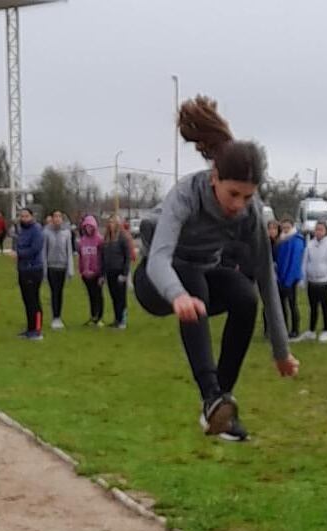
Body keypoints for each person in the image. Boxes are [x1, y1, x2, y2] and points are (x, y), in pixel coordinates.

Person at [133, 95, 299, 441]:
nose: (239, 206)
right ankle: (211, 395)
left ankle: (219, 410)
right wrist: (176, 295)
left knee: (244, 295)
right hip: (155, 280)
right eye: (233, 194)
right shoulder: (186, 196)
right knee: (195, 283)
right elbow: (161, 257)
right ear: (214, 179)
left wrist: (281, 351)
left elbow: (267, 277)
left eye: (248, 197)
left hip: (201, 277)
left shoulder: (251, 213)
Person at [302, 220, 327, 342]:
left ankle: (326, 330)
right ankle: (311, 330)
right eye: (316, 229)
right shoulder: (310, 244)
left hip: (324, 282)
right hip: (312, 282)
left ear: (326, 231)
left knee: (324, 307)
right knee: (312, 307)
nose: (318, 232)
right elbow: (305, 263)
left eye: (321, 229)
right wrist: (304, 279)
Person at [14, 206, 45, 340]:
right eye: (22, 216)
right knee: (26, 300)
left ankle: (37, 330)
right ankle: (30, 328)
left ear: (32, 217)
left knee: (34, 300)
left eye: (26, 216)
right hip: (22, 269)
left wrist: (19, 253)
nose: (24, 218)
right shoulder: (21, 231)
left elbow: (35, 249)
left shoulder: (36, 230)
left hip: (34, 269)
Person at [42, 210, 74, 329]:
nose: (57, 219)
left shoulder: (67, 233)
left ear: (62, 219)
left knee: (59, 292)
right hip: (51, 267)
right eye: (55, 216)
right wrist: (44, 270)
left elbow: (69, 251)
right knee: (54, 292)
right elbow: (44, 252)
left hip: (62, 267)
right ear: (52, 218)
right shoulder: (46, 233)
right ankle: (55, 317)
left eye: (59, 216)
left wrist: (70, 269)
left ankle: (58, 316)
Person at [275, 219, 306, 340]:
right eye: (283, 227)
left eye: (287, 227)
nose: (285, 229)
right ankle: (283, 329)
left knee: (292, 305)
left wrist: (288, 281)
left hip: (291, 279)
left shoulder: (296, 240)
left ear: (292, 227)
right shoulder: (281, 240)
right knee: (281, 306)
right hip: (281, 278)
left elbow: (294, 263)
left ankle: (295, 330)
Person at [102, 216, 133, 329]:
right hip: (110, 272)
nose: (110, 224)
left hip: (120, 271)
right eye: (109, 222)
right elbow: (103, 257)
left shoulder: (122, 238)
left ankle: (123, 320)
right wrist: (103, 274)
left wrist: (125, 273)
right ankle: (117, 318)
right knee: (114, 296)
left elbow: (127, 256)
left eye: (113, 222)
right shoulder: (106, 239)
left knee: (121, 297)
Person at [76, 214, 105, 325]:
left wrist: (101, 273)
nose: (89, 229)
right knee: (91, 295)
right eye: (87, 227)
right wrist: (82, 270)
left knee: (98, 295)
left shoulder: (99, 240)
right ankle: (93, 316)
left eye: (91, 226)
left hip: (96, 273)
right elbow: (80, 257)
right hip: (86, 274)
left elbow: (102, 257)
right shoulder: (82, 241)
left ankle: (99, 317)